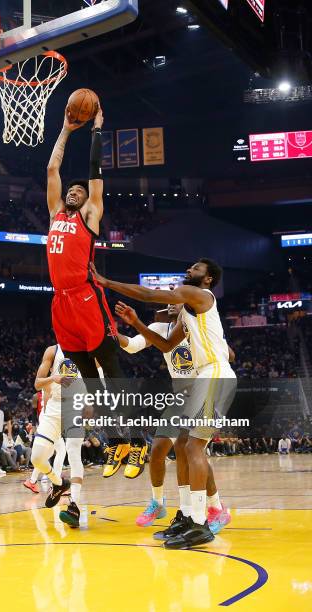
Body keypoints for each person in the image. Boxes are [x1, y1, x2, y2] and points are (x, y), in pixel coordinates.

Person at [91, 258, 237, 549]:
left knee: (194, 446)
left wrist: (106, 283)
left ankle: (200, 522)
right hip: (202, 377)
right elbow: (168, 345)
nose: (189, 271)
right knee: (182, 446)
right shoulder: (186, 315)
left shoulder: (201, 295)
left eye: (196, 269)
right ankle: (186, 516)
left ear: (208, 280)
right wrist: (135, 323)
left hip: (214, 374)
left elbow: (148, 294)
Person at [45, 105, 146, 478]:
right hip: (61, 303)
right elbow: (53, 169)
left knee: (113, 370)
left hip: (87, 298)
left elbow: (94, 174)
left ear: (87, 200)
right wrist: (66, 130)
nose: (73, 192)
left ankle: (138, 442)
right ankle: (118, 440)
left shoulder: (90, 216)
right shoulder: (56, 214)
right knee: (91, 384)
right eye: (70, 191)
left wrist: (96, 130)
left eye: (78, 191)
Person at [116, 303, 231, 535]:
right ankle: (158, 503)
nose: (170, 304)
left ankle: (211, 507)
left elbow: (229, 355)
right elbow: (132, 345)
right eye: (167, 301)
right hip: (179, 399)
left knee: (189, 450)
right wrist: (113, 335)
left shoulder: (199, 325)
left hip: (203, 392)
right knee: (158, 449)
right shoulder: (160, 328)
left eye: (175, 299)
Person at [30, 344, 87, 528]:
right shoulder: (52, 351)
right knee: (37, 458)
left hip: (76, 405)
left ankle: (74, 507)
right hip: (54, 406)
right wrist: (52, 378)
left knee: (73, 450)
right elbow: (37, 383)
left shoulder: (85, 349)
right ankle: (59, 483)